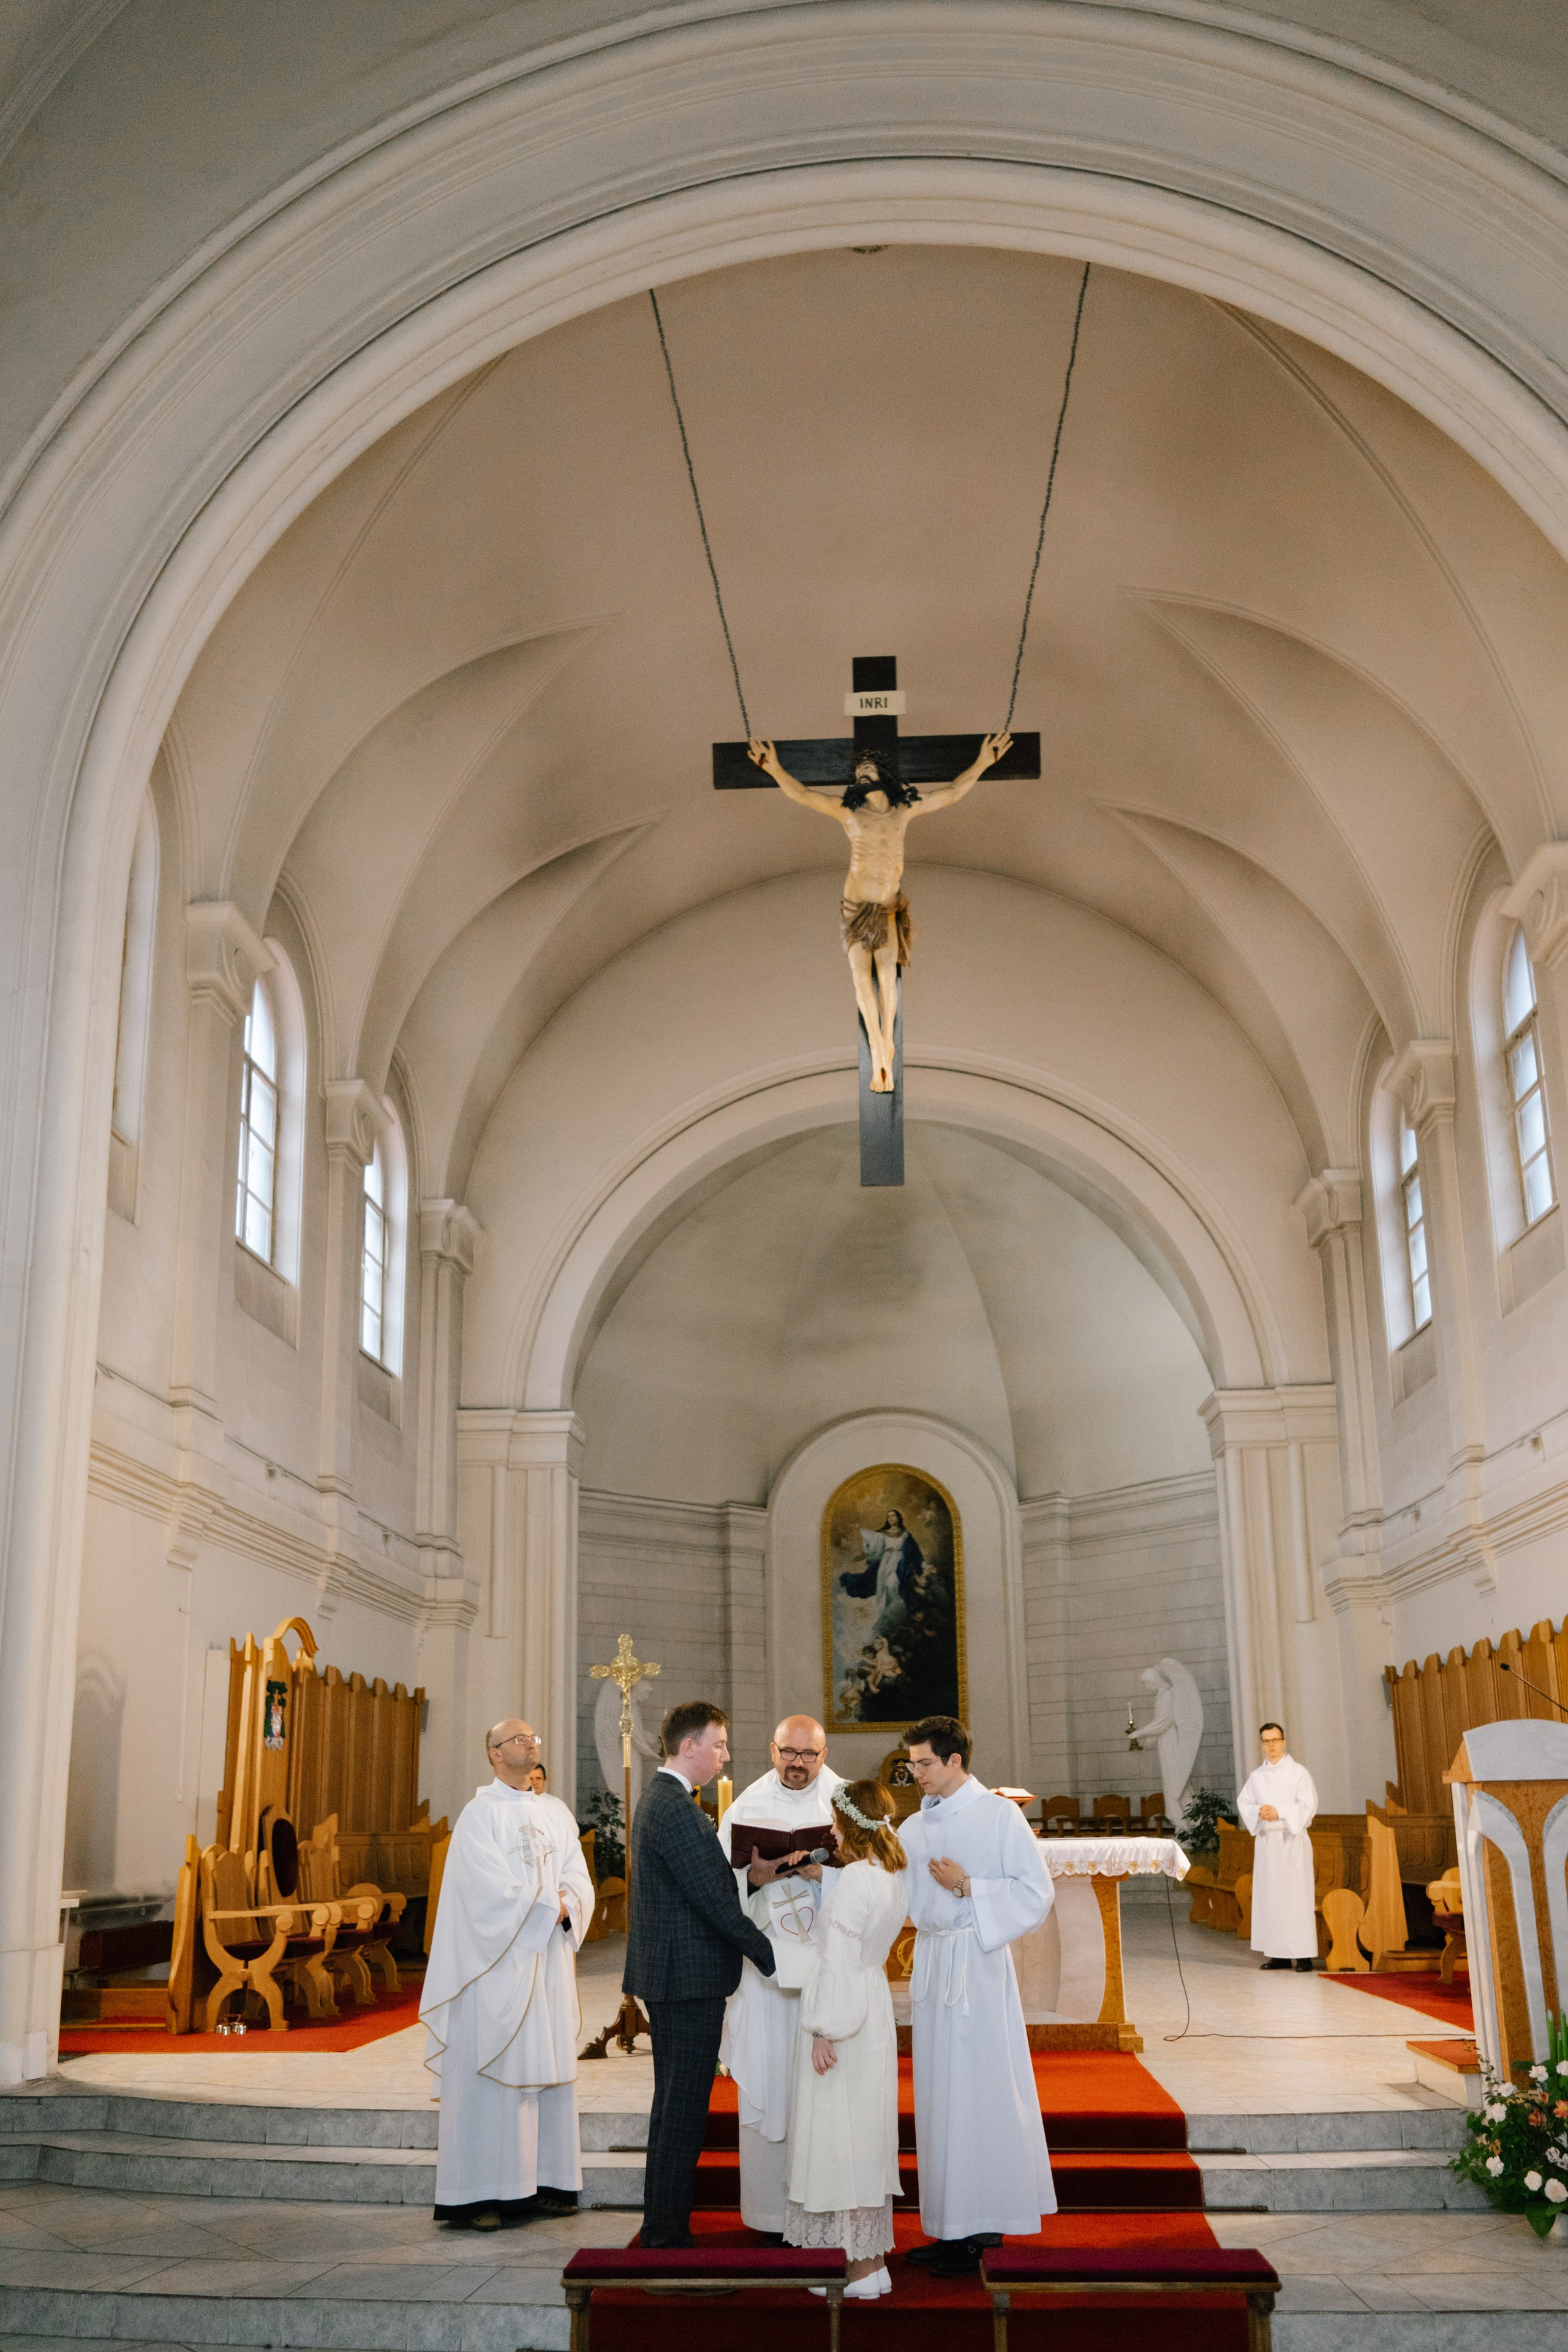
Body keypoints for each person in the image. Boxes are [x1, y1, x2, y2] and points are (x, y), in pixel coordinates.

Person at [749, 731, 1012, 1091]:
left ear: (883, 775)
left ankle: (887, 1044)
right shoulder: (848, 813)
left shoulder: (903, 812)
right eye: (858, 771)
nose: (862, 773)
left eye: (868, 768)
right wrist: (775, 769)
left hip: (888, 907)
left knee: (887, 977)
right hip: (856, 908)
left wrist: (983, 762)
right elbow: (804, 795)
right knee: (861, 978)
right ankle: (876, 1051)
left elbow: (951, 793)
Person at [898, 1713, 1057, 2274]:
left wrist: (969, 1887)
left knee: (981, 2092)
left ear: (955, 1760)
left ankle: (983, 2223)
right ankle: (948, 2226)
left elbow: (1037, 1893)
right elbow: (888, 1885)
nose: (914, 1773)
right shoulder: (914, 1827)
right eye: (911, 1763)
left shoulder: (998, 1816)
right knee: (940, 2096)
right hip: (936, 1965)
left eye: (923, 1763)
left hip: (979, 1966)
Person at [421, 1718, 594, 2229]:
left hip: (547, 1962)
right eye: (518, 1739)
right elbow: (485, 1892)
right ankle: (480, 2196)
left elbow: (575, 1874)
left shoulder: (556, 1811)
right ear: (494, 1754)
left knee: (545, 2067)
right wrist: (549, 1905)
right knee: (493, 2074)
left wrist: (569, 1902)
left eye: (534, 1737)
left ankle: (547, 2181)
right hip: (496, 1965)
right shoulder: (479, 1815)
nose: (531, 1743)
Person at [624, 1699, 778, 2246]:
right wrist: (768, 1954)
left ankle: (661, 2222)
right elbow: (714, 1900)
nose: (724, 1755)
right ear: (689, 1747)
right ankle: (665, 2231)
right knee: (683, 2111)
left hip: (674, 1976)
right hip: (686, 1981)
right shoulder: (675, 1808)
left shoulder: (665, 1800)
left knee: (673, 2106)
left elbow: (698, 1889)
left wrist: (754, 1877)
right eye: (718, 1744)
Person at [784, 1778, 910, 2300]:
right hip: (873, 2004)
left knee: (839, 2135)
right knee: (866, 2133)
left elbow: (835, 1962)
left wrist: (821, 2029)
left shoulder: (856, 1878)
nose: (831, 1830)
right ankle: (871, 2263)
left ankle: (851, 2269)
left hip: (845, 2016)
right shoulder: (891, 1873)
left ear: (851, 1822)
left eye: (836, 1820)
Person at [719, 1716, 845, 2233]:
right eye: (787, 1753)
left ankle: (822, 2210)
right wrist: (753, 1876)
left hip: (822, 1962)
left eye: (807, 1755)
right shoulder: (746, 1805)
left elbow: (877, 1874)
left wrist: (824, 1872)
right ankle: (770, 2213)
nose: (797, 1764)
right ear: (772, 1750)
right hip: (766, 1964)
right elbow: (720, 1882)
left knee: (821, 2086)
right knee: (770, 2074)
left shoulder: (845, 1802)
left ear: (823, 1752)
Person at [1237, 1722, 1319, 1970]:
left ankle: (1303, 1956)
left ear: (1284, 1742)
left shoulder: (1299, 1773)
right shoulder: (1257, 1776)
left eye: (1275, 1740)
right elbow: (1245, 1803)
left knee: (1296, 1898)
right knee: (1271, 1898)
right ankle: (1278, 1955)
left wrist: (1279, 1812)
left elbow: (1309, 1806)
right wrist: (1259, 1812)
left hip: (1291, 1842)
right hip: (1267, 1844)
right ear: (1262, 1745)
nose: (1271, 1745)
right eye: (1266, 1741)